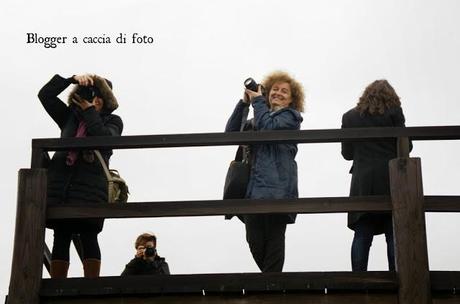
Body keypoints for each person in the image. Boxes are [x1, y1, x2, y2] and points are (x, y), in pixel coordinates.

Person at [38, 73, 123, 278]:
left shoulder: (114, 120)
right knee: (61, 235)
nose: (94, 98)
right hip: (63, 187)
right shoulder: (70, 117)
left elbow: (104, 138)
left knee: (89, 234)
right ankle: (57, 285)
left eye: (99, 95)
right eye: (90, 94)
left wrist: (90, 112)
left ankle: (91, 285)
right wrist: (71, 79)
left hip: (90, 189)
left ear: (105, 100)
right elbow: (45, 95)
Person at [225, 71, 304, 272]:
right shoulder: (257, 120)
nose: (278, 93)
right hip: (251, 190)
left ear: (292, 99)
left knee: (275, 243)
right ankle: (273, 284)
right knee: (254, 241)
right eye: (274, 89)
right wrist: (244, 103)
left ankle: (272, 289)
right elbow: (230, 134)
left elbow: (268, 128)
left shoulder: (291, 117)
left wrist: (258, 100)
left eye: (284, 91)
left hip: (278, 190)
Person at [341, 79, 411, 271]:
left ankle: (358, 278)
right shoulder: (394, 113)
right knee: (393, 234)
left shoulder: (349, 117)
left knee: (363, 233)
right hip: (390, 179)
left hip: (363, 182)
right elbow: (406, 147)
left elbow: (347, 154)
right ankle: (397, 278)